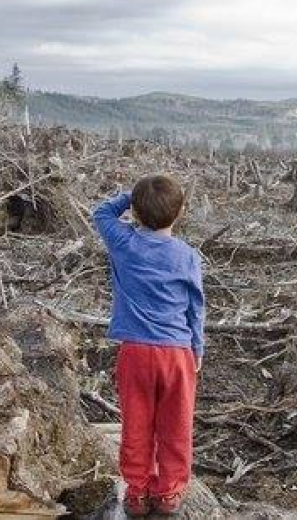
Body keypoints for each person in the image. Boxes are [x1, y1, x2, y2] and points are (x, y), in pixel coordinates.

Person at [92, 175, 205, 517]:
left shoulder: (123, 242)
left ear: (136, 213)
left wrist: (134, 196)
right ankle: (168, 494)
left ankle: (137, 494)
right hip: (178, 354)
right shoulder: (187, 255)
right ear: (180, 212)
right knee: (176, 426)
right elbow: (195, 307)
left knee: (136, 425)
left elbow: (101, 213)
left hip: (136, 352)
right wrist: (197, 348)